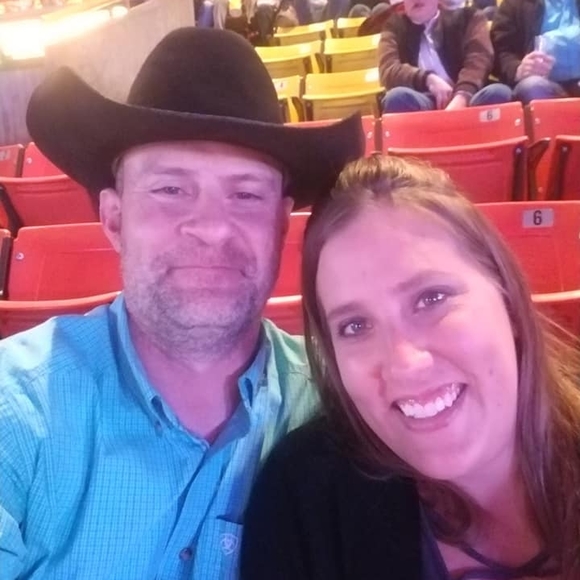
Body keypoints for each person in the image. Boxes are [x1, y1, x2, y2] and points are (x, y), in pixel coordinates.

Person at [0, 27, 364, 579]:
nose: (211, 227)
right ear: (115, 219)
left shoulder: (343, 409)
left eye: (246, 194)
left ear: (279, 225)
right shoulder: (17, 408)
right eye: (170, 189)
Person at [241, 154, 580, 579]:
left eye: (431, 298)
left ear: (508, 299)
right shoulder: (304, 499)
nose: (405, 364)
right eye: (355, 326)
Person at [379, 0, 512, 112]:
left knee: (498, 93)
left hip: (469, 97)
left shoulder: (469, 17)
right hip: (423, 101)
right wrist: (427, 79)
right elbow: (388, 69)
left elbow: (479, 59)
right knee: (397, 98)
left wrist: (462, 96)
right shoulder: (394, 26)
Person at [490, 0, 580, 104]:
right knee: (533, 86)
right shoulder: (515, 4)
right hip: (540, 85)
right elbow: (500, 50)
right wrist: (518, 69)